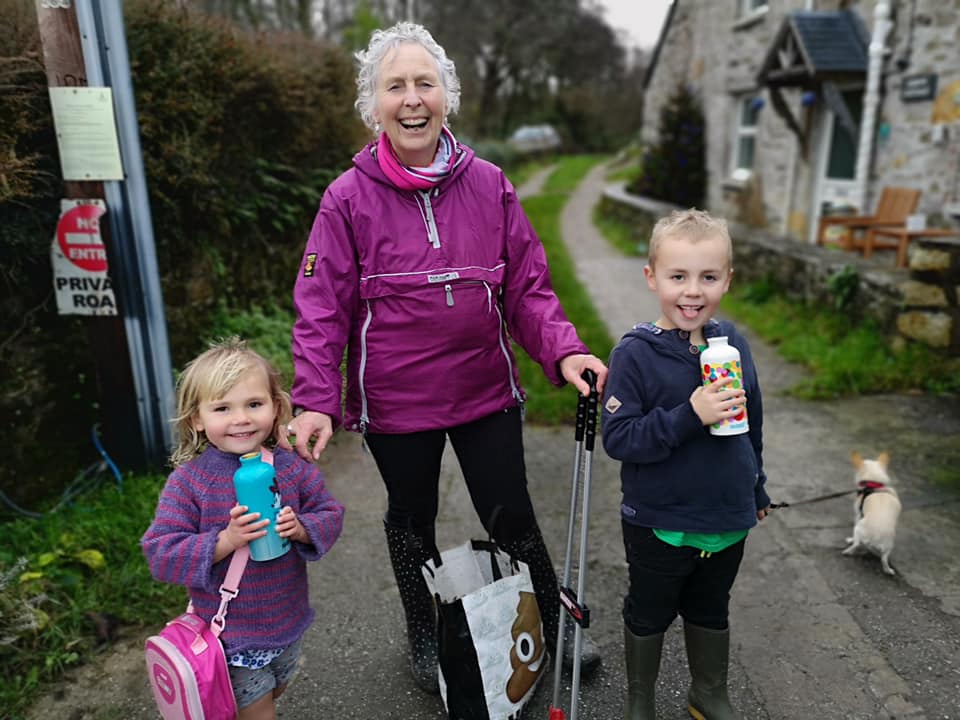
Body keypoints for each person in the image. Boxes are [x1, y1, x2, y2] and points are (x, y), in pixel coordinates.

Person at [283, 21, 607, 695]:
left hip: (484, 387)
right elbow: (321, 307)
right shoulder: (346, 199)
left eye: (424, 83)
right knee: (411, 517)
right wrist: (315, 399)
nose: (411, 99)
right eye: (394, 86)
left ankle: (552, 618)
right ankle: (424, 628)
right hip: (397, 401)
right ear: (373, 105)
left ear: (447, 97)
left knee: (510, 511)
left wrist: (565, 350)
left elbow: (527, 288)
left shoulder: (490, 184)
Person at [600, 209, 770, 720]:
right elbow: (620, 437)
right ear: (652, 277)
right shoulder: (635, 354)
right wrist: (689, 414)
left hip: (725, 517)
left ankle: (708, 693)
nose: (692, 291)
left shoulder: (732, 344)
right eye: (678, 276)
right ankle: (639, 701)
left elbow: (752, 423)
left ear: (727, 280)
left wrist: (757, 489)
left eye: (708, 277)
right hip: (660, 522)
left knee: (710, 608)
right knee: (649, 611)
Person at [142, 338, 345, 720]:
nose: (241, 419)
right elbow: (160, 552)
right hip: (231, 637)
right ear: (197, 420)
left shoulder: (290, 467)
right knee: (258, 709)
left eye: (254, 404)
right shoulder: (191, 482)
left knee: (276, 687)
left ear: (275, 406)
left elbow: (330, 512)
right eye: (222, 408)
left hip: (288, 621)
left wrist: (302, 528)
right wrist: (225, 541)